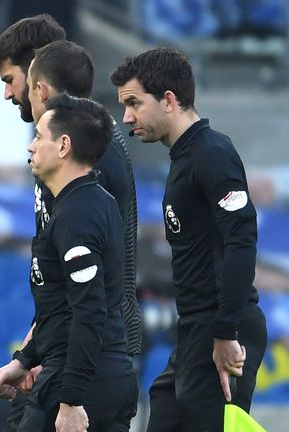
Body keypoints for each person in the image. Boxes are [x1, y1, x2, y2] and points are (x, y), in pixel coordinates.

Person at [110, 47, 267, 431]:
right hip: (195, 330)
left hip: (223, 329)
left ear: (168, 100)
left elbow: (241, 241)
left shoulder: (212, 154)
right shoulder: (184, 157)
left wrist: (225, 332)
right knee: (162, 413)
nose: (126, 117)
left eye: (134, 103)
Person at [0, 93, 137, 432]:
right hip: (104, 373)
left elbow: (89, 309)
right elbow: (64, 309)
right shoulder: (92, 202)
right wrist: (25, 360)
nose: (31, 146)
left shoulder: (77, 215)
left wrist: (71, 399)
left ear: (64, 145)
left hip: (80, 379)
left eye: (39, 137)